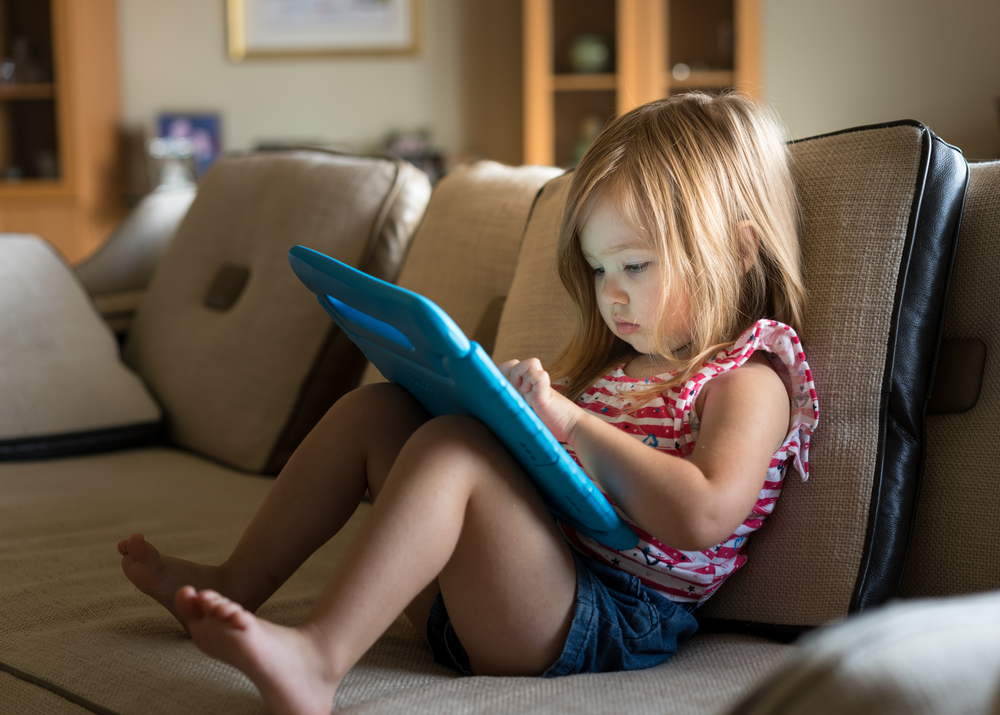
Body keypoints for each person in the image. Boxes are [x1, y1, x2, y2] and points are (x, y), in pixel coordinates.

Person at [117, 92, 818, 715]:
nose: (611, 293)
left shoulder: (749, 377)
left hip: (599, 618)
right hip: (495, 595)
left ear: (738, 248)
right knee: (378, 412)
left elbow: (702, 513)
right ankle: (237, 584)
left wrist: (573, 425)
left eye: (635, 265)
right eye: (599, 268)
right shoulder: (620, 366)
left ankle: (317, 660)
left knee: (456, 450)